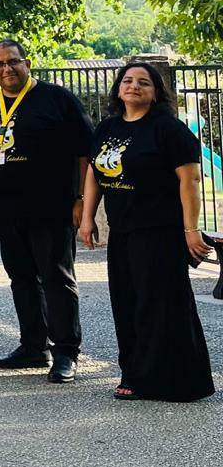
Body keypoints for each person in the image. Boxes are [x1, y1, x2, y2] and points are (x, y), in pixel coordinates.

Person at [80, 62, 214, 402]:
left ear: (156, 93)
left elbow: (190, 181)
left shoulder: (168, 129)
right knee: (127, 304)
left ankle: (173, 381)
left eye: (143, 82)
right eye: (127, 80)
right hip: (123, 231)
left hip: (159, 231)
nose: (134, 86)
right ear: (118, 88)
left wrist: (191, 229)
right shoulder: (108, 127)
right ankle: (135, 374)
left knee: (160, 306)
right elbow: (94, 172)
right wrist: (87, 216)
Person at [0, 39, 93, 383]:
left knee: (56, 278)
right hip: (6, 211)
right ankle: (33, 345)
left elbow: (85, 152)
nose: (6, 69)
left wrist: (81, 199)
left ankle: (66, 351)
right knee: (21, 278)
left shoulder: (58, 99)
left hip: (51, 208)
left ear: (27, 63)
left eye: (13, 61)